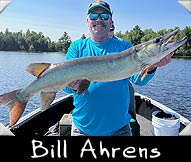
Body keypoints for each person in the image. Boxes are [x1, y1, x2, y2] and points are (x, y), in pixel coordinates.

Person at [64, 0, 174, 136]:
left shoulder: (124, 47)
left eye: (104, 16)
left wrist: (152, 66)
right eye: (93, 16)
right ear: (87, 21)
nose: (99, 20)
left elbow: (139, 80)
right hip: (82, 129)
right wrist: (72, 85)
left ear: (110, 21)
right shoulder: (77, 47)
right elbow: (65, 87)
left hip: (119, 130)